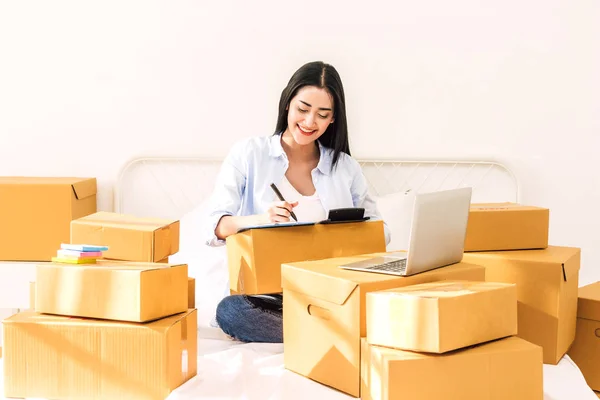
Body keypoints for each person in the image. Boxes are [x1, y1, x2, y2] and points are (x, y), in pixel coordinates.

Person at [202, 61, 390, 343]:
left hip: (332, 290)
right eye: (303, 109)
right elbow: (216, 226)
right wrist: (261, 220)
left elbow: (380, 232)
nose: (310, 122)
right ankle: (333, 331)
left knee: (393, 298)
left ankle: (323, 328)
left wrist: (352, 231)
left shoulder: (345, 168)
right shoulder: (249, 154)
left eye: (322, 114)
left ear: (333, 119)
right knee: (231, 312)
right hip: (271, 296)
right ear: (287, 103)